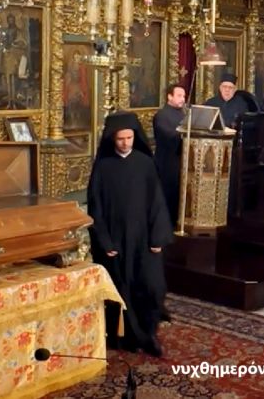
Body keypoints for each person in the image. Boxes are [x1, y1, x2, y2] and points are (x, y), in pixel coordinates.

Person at [87, 112, 173, 356]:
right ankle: (124, 338)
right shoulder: (103, 167)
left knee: (152, 288)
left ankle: (149, 334)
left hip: (144, 239)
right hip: (115, 240)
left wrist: (158, 237)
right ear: (112, 139)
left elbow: (157, 202)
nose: (125, 143)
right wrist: (104, 240)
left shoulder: (145, 163)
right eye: (121, 138)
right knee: (121, 290)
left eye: (129, 137)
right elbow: (96, 207)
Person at [152, 84, 186, 228]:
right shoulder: (161, 115)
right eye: (179, 96)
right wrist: (184, 134)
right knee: (167, 195)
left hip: (181, 160)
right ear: (169, 97)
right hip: (167, 162)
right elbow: (168, 135)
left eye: (184, 96)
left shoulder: (183, 114)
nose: (183, 99)